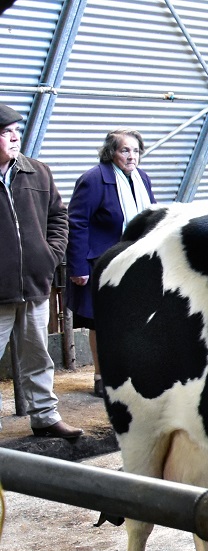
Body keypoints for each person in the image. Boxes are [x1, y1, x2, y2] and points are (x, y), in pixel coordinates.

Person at [0, 104, 82, 439]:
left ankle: (45, 418)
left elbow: (58, 217)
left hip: (34, 284)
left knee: (38, 355)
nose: (15, 136)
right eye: (5, 131)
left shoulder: (37, 172)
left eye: (15, 129)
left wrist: (50, 255)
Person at [67, 129, 156, 398]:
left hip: (136, 260)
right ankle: (101, 375)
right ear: (111, 153)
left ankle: (129, 374)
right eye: (125, 150)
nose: (132, 156)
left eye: (136, 150)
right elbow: (77, 223)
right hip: (103, 264)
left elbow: (150, 215)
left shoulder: (142, 179)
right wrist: (78, 267)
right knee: (102, 322)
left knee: (134, 320)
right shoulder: (94, 180)